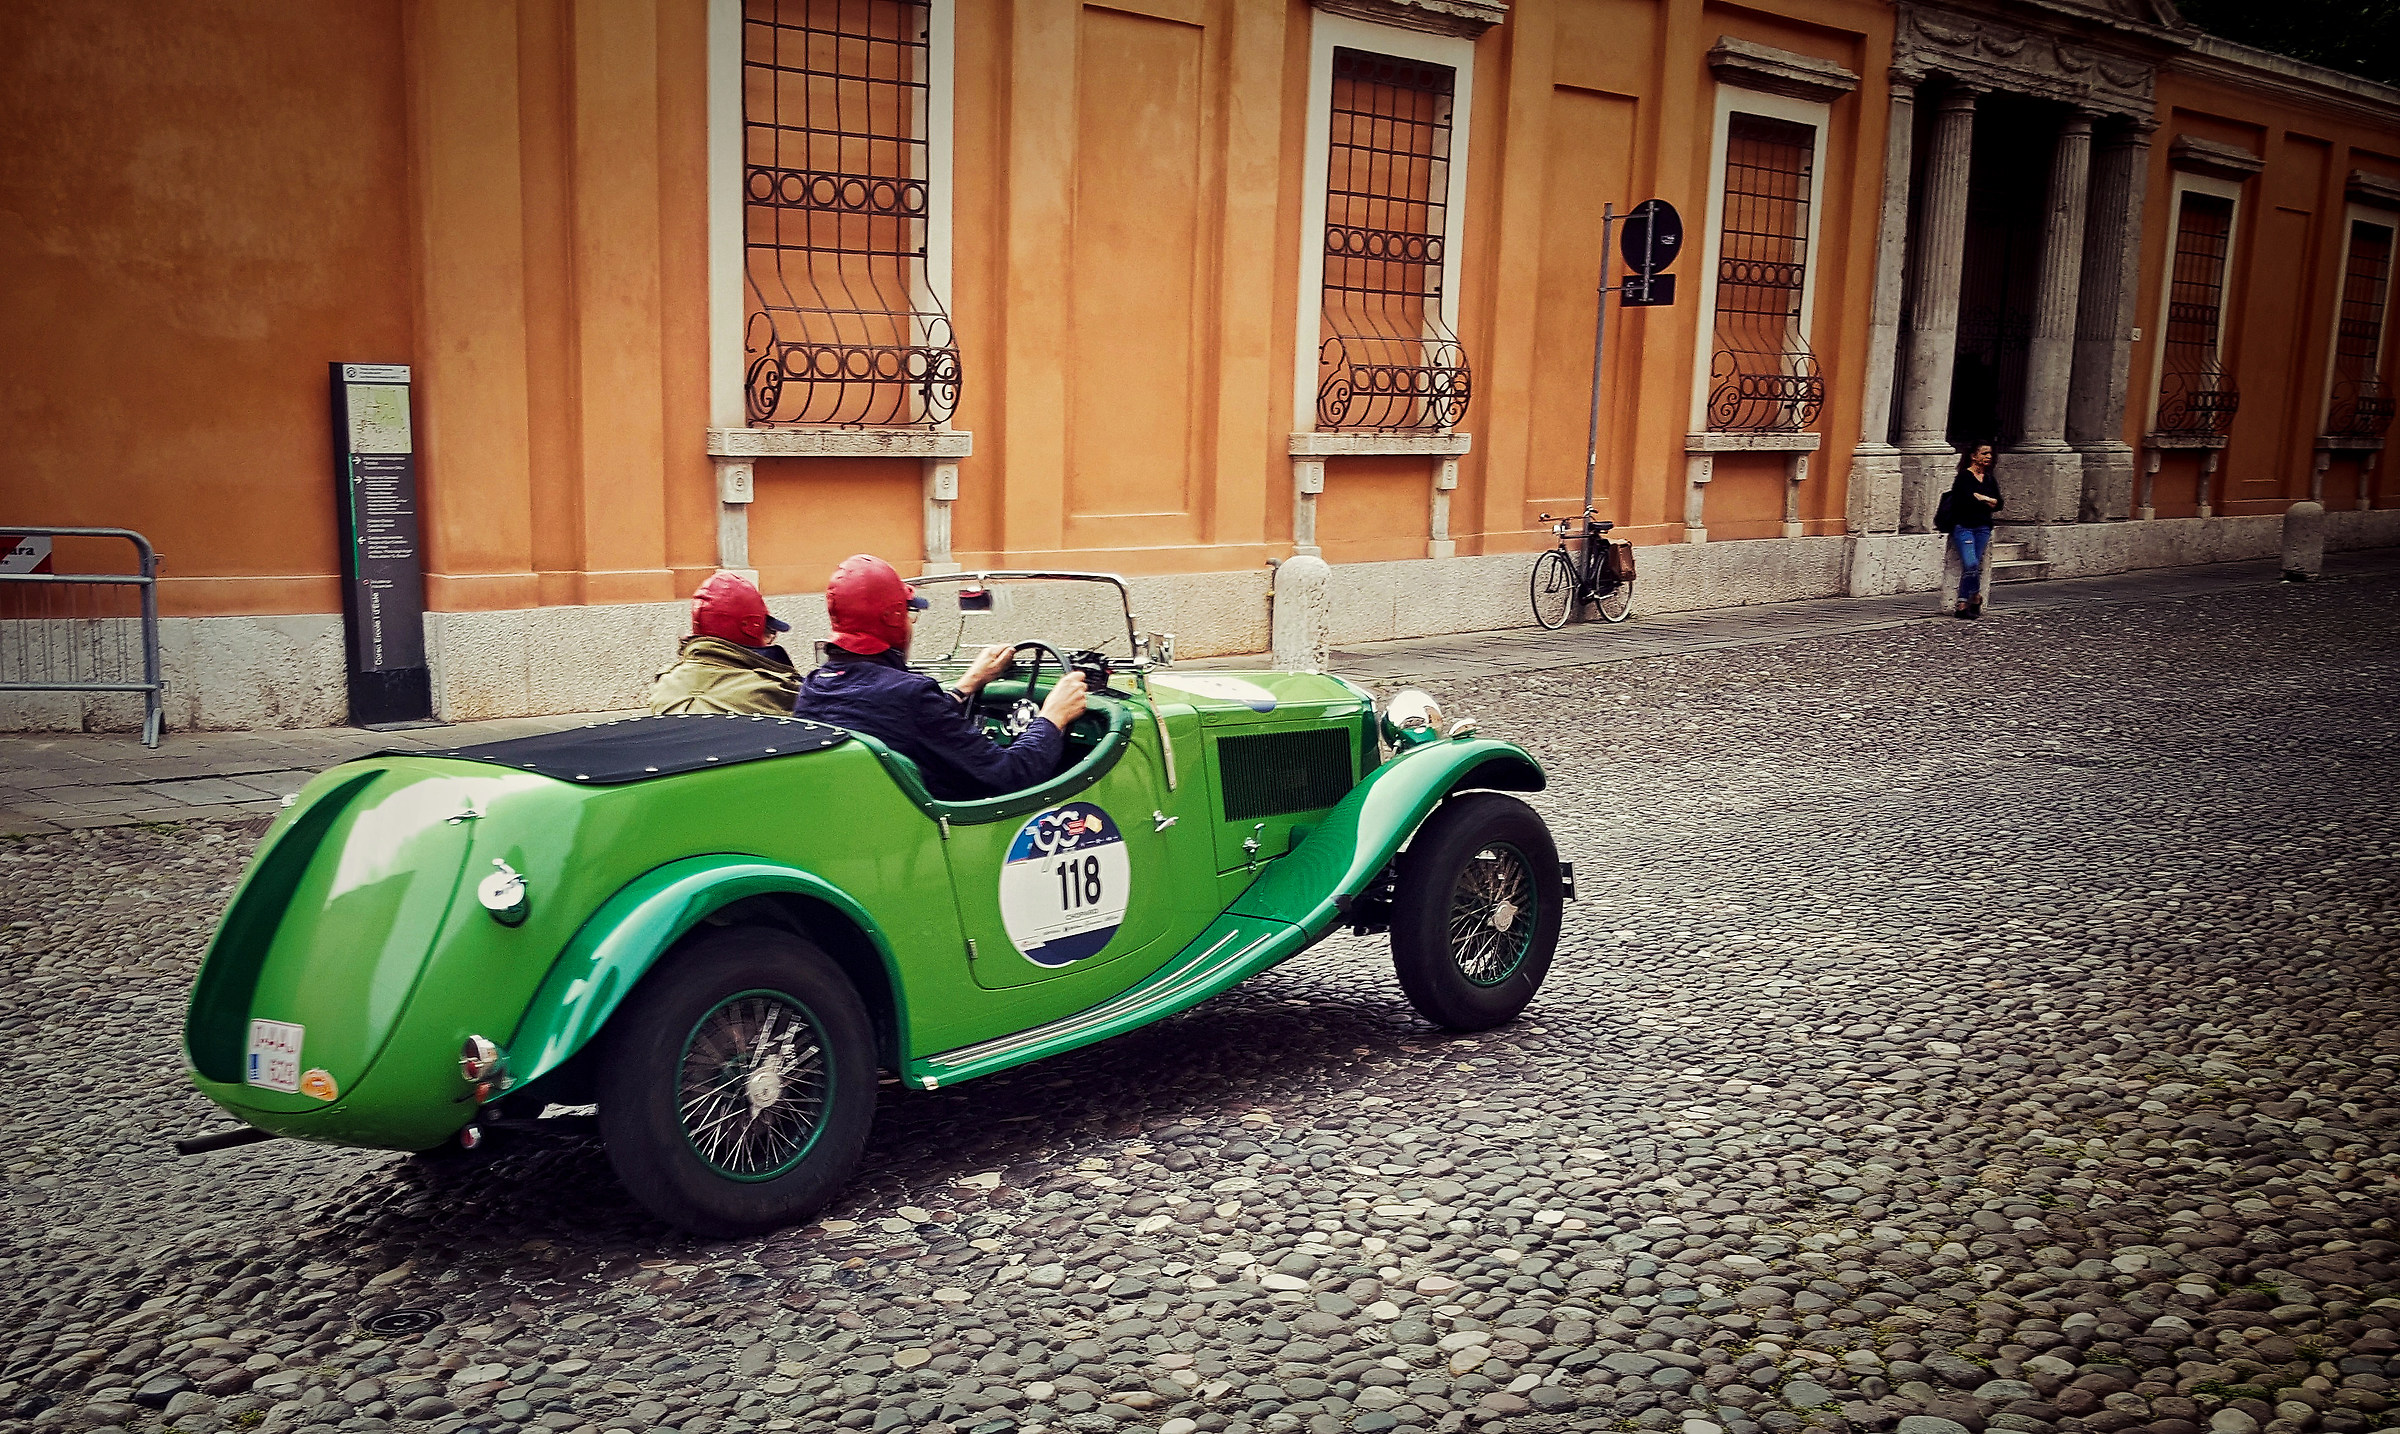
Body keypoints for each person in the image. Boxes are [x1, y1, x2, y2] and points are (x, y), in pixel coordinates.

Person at [793, 554, 1088, 800]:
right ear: (893, 618)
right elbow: (1010, 776)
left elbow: (903, 724)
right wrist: (1052, 717)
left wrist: (967, 685)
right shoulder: (909, 695)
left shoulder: (815, 686)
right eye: (909, 614)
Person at [648, 571, 801, 715]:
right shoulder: (775, 691)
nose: (770, 639)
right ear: (751, 629)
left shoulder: (665, 684)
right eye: (769, 632)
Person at [1946, 442, 2004, 619]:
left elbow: (1999, 504)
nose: (1989, 457)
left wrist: (1983, 498)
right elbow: (1965, 501)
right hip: (1964, 526)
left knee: (1972, 567)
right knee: (1971, 564)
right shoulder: (1964, 477)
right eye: (1984, 453)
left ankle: (1962, 604)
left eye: (1990, 454)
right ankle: (1976, 597)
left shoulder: (1989, 479)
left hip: (1983, 528)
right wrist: (1988, 501)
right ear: (1973, 456)